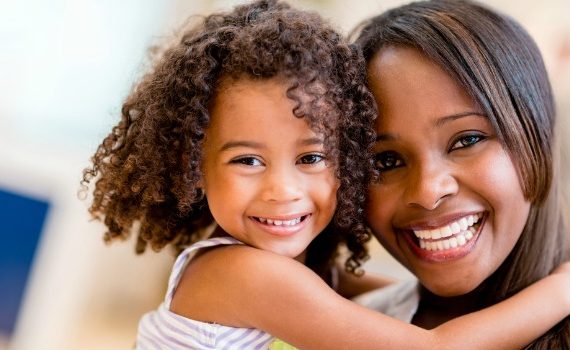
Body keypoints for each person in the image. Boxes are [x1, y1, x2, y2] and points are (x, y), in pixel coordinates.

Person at [81, 0, 570, 349]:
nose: (282, 190)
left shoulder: (285, 275)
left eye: (311, 158)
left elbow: (359, 292)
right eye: (247, 160)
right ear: (193, 169)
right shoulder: (245, 274)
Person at [354, 0, 570, 348]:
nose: (427, 191)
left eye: (467, 140)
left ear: (537, 136)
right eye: (387, 161)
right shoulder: (350, 331)